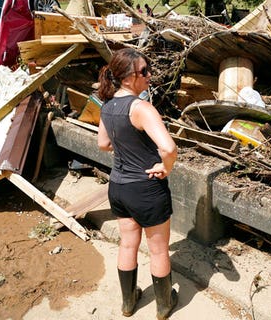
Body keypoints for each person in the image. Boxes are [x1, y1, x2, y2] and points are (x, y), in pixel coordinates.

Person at [97, 48, 178, 319]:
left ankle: (129, 303)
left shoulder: (107, 106)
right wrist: (165, 168)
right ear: (128, 78)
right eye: (144, 71)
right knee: (158, 250)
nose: (149, 75)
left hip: (118, 186)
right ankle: (164, 305)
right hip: (145, 188)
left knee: (128, 244)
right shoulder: (142, 108)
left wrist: (126, 146)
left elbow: (103, 144)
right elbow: (168, 147)